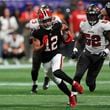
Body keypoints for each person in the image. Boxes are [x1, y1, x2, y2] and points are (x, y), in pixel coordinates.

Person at [30, 5, 84, 108]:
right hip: (45, 59)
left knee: (57, 71)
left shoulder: (57, 25)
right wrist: (43, 46)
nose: (47, 23)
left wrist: (67, 36)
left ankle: (75, 84)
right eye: (44, 21)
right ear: (40, 21)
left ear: (51, 19)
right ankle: (71, 95)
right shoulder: (37, 32)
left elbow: (65, 28)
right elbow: (36, 49)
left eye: (48, 20)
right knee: (58, 81)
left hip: (56, 54)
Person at [72, 4, 110, 96]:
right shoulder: (84, 24)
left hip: (99, 56)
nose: (91, 17)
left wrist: (106, 50)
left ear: (97, 15)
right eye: (89, 15)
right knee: (78, 75)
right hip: (87, 53)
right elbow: (80, 40)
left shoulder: (104, 25)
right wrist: (75, 49)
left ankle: (92, 83)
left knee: (90, 82)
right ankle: (73, 95)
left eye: (93, 15)